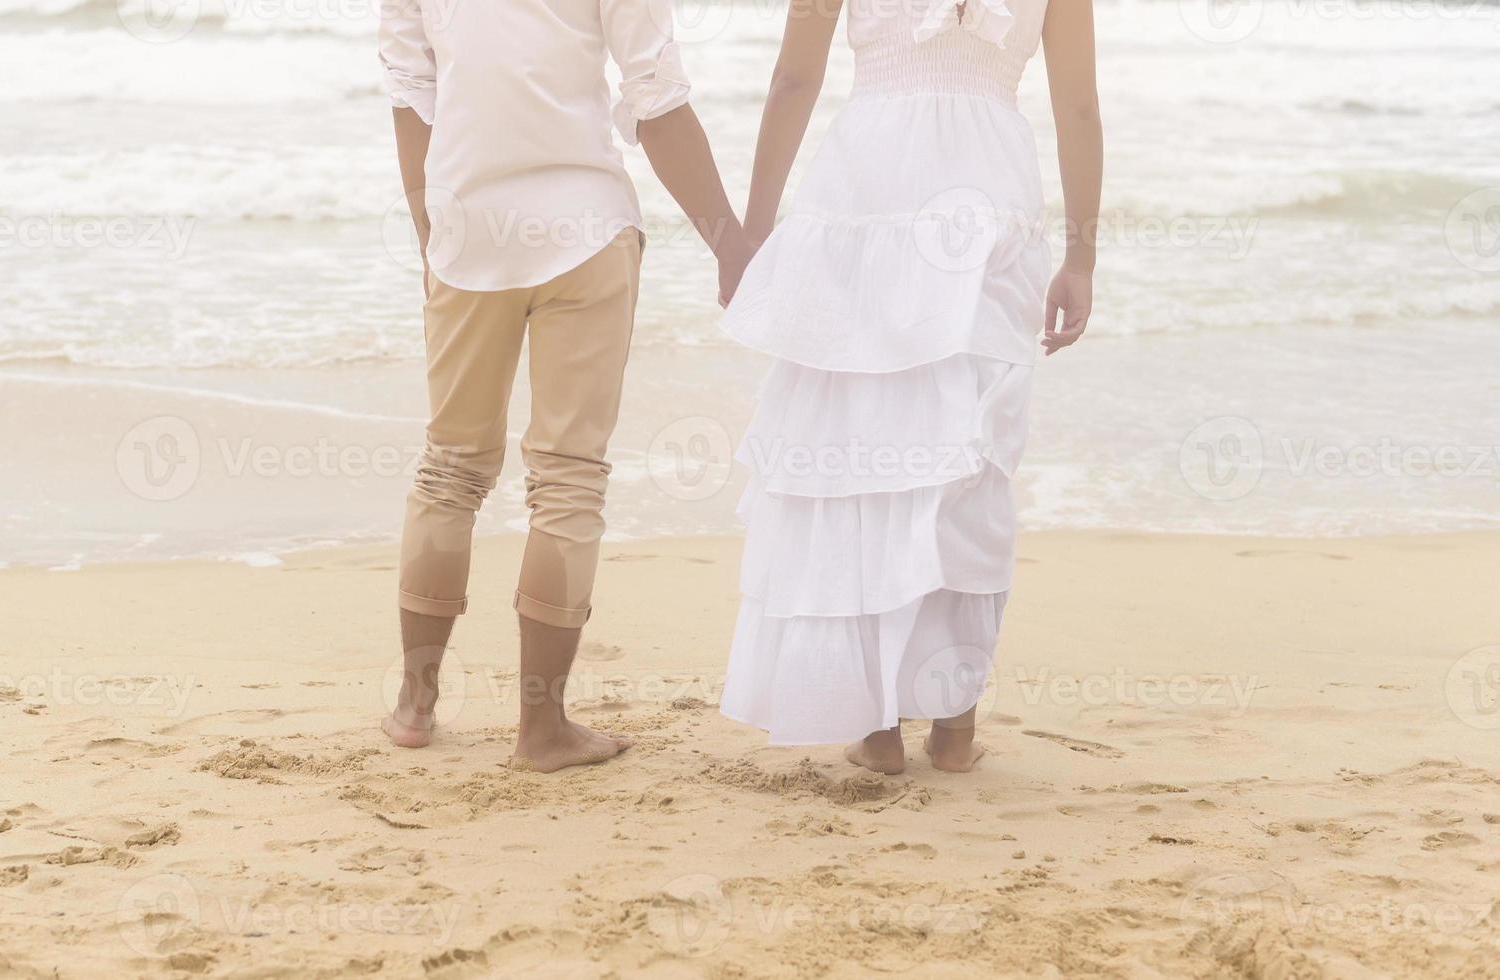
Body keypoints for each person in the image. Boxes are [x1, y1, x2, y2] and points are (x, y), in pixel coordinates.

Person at [717, 0, 1102, 773]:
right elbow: (1080, 108)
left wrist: (751, 232)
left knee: (862, 457)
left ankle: (879, 723)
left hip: (870, 189)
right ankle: (953, 724)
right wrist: (1080, 258)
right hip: (991, 202)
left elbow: (795, 80)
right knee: (968, 462)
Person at [378, 0, 756, 772]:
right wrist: (728, 239)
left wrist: (431, 235)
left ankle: (415, 704)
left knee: (450, 466)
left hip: (467, 231)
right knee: (569, 476)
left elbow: (412, 92)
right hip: (584, 227)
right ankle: (541, 730)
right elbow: (656, 99)